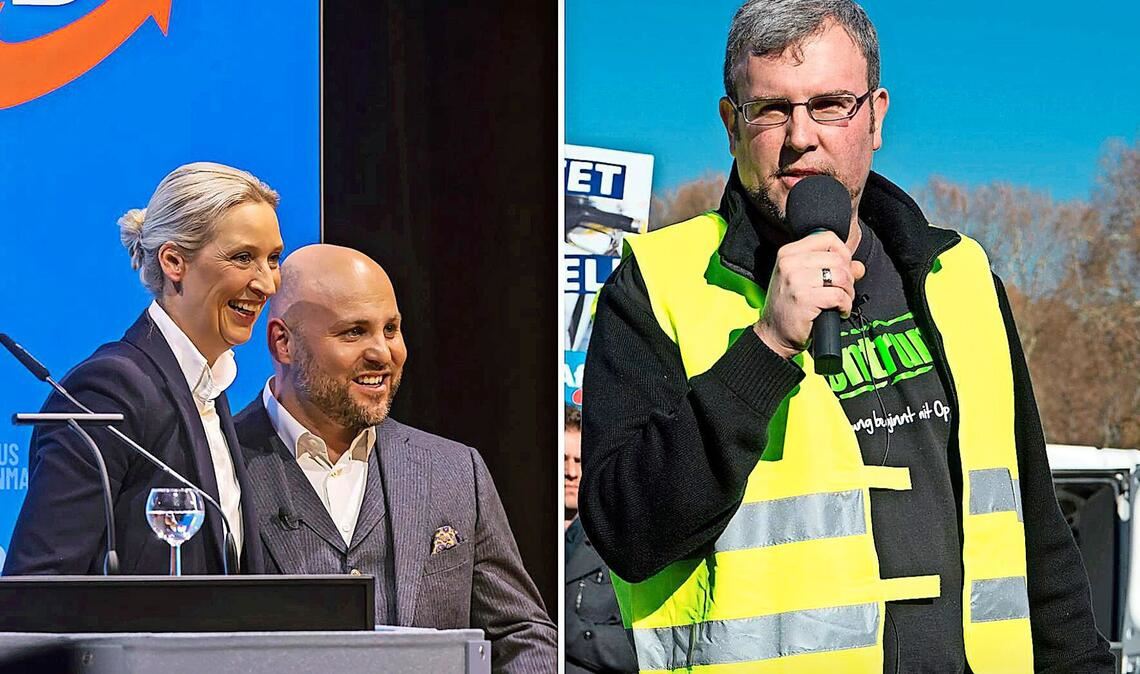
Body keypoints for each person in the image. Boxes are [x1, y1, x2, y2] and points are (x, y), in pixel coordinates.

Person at [578, 1, 1113, 672]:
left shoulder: (963, 278)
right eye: (771, 109)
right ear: (730, 126)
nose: (802, 136)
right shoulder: (657, 285)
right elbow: (627, 530)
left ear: (877, 116)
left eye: (831, 104)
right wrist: (766, 348)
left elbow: (1040, 533)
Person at [233, 244, 557, 673]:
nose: (383, 353)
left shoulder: (455, 470)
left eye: (391, 329)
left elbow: (521, 635)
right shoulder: (221, 464)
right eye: (354, 332)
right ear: (283, 342)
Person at [4, 162, 282, 575]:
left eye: (273, 259)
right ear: (174, 262)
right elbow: (39, 583)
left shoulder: (207, 388)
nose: (267, 283)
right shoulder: (109, 389)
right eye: (243, 258)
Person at [564, 405, 637, 674]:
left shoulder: (618, 543)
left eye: (578, 460)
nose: (570, 472)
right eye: (562, 459)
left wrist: (567, 630)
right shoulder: (521, 540)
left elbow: (637, 648)